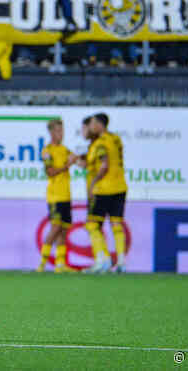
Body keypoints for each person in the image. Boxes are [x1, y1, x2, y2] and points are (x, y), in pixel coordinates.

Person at [84, 113, 128, 274]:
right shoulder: (116, 139)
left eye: (93, 123)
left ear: (100, 125)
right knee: (116, 224)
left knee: (92, 224)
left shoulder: (100, 143)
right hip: (120, 186)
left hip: (104, 188)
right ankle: (122, 261)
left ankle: (102, 259)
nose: (91, 126)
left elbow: (104, 166)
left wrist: (93, 183)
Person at [37, 119, 78, 273]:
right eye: (58, 131)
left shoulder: (65, 150)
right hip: (55, 195)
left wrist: (81, 159)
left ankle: (60, 264)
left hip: (66, 195)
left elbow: (79, 161)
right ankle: (42, 263)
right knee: (55, 227)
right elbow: (50, 172)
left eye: (62, 130)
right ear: (51, 132)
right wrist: (67, 165)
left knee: (64, 230)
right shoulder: (47, 151)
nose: (61, 134)